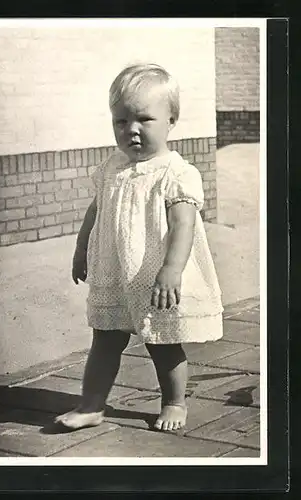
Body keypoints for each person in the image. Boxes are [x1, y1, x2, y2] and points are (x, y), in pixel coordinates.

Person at [55, 63, 223, 433]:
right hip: (115, 272)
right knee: (104, 340)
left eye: (144, 119)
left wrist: (172, 269)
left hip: (154, 276)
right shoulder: (111, 167)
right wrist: (82, 248)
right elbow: (96, 210)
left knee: (162, 343)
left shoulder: (176, 173)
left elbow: (184, 225)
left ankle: (175, 401)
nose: (131, 130)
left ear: (171, 121)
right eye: (121, 121)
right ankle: (92, 405)